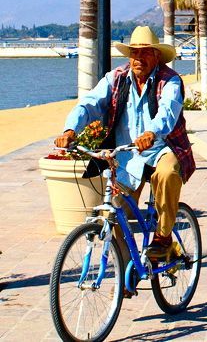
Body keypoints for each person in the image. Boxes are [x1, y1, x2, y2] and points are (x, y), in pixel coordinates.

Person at [54, 26, 195, 261]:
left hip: (162, 148)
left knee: (168, 173)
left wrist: (151, 132)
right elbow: (90, 104)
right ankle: (126, 273)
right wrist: (70, 130)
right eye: (134, 53)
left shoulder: (169, 80)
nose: (139, 58)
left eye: (145, 53)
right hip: (127, 156)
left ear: (157, 55)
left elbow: (168, 112)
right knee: (115, 214)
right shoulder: (116, 78)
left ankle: (163, 236)